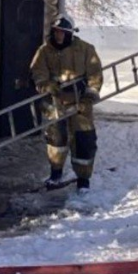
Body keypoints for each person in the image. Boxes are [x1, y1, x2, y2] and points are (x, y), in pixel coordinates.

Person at [30, 14, 103, 192]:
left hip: (80, 104)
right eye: (56, 32)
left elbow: (95, 75)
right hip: (54, 102)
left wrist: (89, 98)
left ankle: (83, 180)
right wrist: (45, 85)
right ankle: (56, 174)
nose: (58, 36)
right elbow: (37, 71)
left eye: (62, 32)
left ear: (70, 32)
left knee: (83, 139)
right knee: (56, 139)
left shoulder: (86, 50)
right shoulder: (45, 51)